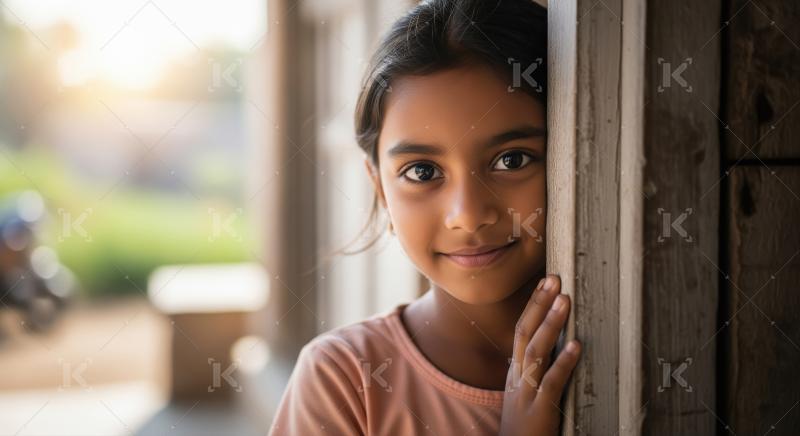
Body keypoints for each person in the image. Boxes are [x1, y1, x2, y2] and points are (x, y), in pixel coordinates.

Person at [269, 0, 581, 434]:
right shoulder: (345, 383)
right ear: (379, 187)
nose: (468, 215)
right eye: (422, 172)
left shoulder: (623, 347)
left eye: (512, 160)